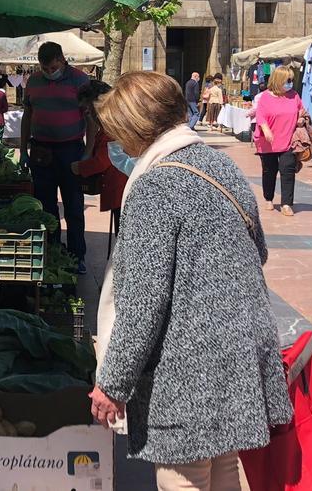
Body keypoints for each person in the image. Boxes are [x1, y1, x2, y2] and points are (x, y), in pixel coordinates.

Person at [89, 71, 291, 491]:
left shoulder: (155, 185)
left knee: (182, 474)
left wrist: (113, 383)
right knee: (222, 462)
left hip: (189, 359)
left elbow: (143, 302)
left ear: (136, 128)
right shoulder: (219, 163)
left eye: (118, 133)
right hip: (241, 341)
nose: (118, 145)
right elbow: (260, 251)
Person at [20, 41, 91, 272]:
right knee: (46, 207)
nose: (50, 72)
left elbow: (91, 120)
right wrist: (22, 150)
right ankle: (51, 251)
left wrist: (88, 154)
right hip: (41, 151)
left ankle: (77, 255)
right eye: (45, 68)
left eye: (53, 67)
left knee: (73, 206)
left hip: (71, 150)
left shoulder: (80, 80)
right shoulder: (33, 81)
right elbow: (27, 116)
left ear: (62, 59)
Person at [71, 80, 127, 231]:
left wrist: (79, 167)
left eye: (88, 109)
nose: (86, 114)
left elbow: (102, 161)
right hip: (122, 190)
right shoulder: (114, 122)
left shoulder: (113, 127)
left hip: (122, 191)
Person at [252, 66, 303, 216]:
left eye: (291, 80)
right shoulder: (265, 97)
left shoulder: (294, 95)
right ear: (279, 80)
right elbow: (260, 116)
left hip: (288, 140)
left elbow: (301, 110)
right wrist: (266, 129)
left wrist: (301, 118)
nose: (290, 83)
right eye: (288, 80)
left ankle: (286, 204)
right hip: (268, 142)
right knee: (269, 170)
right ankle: (268, 198)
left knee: (287, 170)